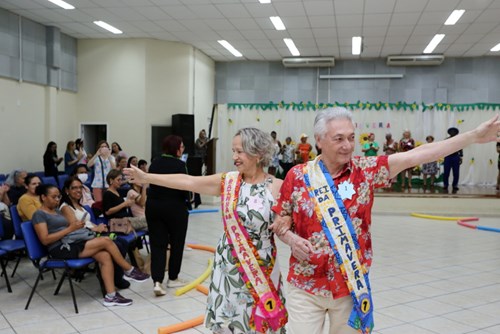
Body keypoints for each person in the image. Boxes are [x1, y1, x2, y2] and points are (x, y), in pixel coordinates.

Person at [270, 107, 500, 334]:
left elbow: (417, 155)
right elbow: (280, 221)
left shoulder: (366, 171)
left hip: (350, 286)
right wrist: (291, 239)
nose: (347, 145)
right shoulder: (298, 176)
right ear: (319, 140)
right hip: (306, 284)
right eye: (338, 139)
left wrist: (474, 136)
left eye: (351, 137)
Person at [124, 128, 287, 333]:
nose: (234, 157)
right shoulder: (228, 181)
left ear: (258, 153)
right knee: (230, 321)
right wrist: (147, 177)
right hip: (229, 264)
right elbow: (188, 181)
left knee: (262, 320)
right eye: (233, 151)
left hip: (263, 265)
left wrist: (287, 223)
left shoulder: (277, 186)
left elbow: (289, 224)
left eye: (240, 151)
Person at [31, 184, 149, 307]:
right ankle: (129, 270)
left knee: (104, 256)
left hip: (72, 242)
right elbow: (45, 240)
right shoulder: (39, 214)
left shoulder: (56, 211)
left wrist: (75, 229)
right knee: (106, 241)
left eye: (58, 197)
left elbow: (68, 229)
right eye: (53, 197)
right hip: (59, 248)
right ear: (43, 197)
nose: (57, 200)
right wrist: (70, 229)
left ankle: (111, 296)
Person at [136, 135, 191, 297]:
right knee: (176, 243)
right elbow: (186, 188)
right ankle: (172, 278)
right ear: (175, 148)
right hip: (175, 208)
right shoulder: (181, 165)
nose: (183, 149)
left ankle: (157, 282)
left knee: (158, 244)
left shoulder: (155, 163)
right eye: (181, 146)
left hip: (154, 208)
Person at [60, 176, 134, 289]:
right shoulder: (66, 207)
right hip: (82, 238)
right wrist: (95, 229)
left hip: (91, 233)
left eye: (80, 187)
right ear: (67, 190)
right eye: (74, 188)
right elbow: (75, 228)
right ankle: (118, 277)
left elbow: (88, 222)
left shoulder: (79, 205)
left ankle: (117, 276)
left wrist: (99, 226)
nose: (78, 190)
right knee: (117, 244)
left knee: (122, 241)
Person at [443, 127, 463, 193]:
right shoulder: (446, 140)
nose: (453, 133)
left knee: (456, 173)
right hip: (447, 157)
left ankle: (455, 185)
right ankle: (445, 184)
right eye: (451, 131)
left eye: (454, 131)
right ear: (449, 133)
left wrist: (461, 156)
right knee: (446, 172)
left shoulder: (458, 140)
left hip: (456, 157)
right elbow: (443, 148)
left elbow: (461, 148)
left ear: (456, 133)